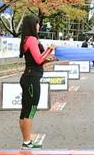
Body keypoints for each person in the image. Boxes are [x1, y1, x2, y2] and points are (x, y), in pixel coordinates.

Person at [18, 14, 56, 150]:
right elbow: (39, 60)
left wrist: (48, 58)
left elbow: (37, 60)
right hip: (31, 79)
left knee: (25, 111)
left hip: (29, 77)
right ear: (33, 25)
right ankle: (27, 142)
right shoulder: (32, 39)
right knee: (30, 110)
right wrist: (49, 49)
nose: (39, 26)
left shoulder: (26, 39)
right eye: (37, 23)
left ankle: (26, 141)